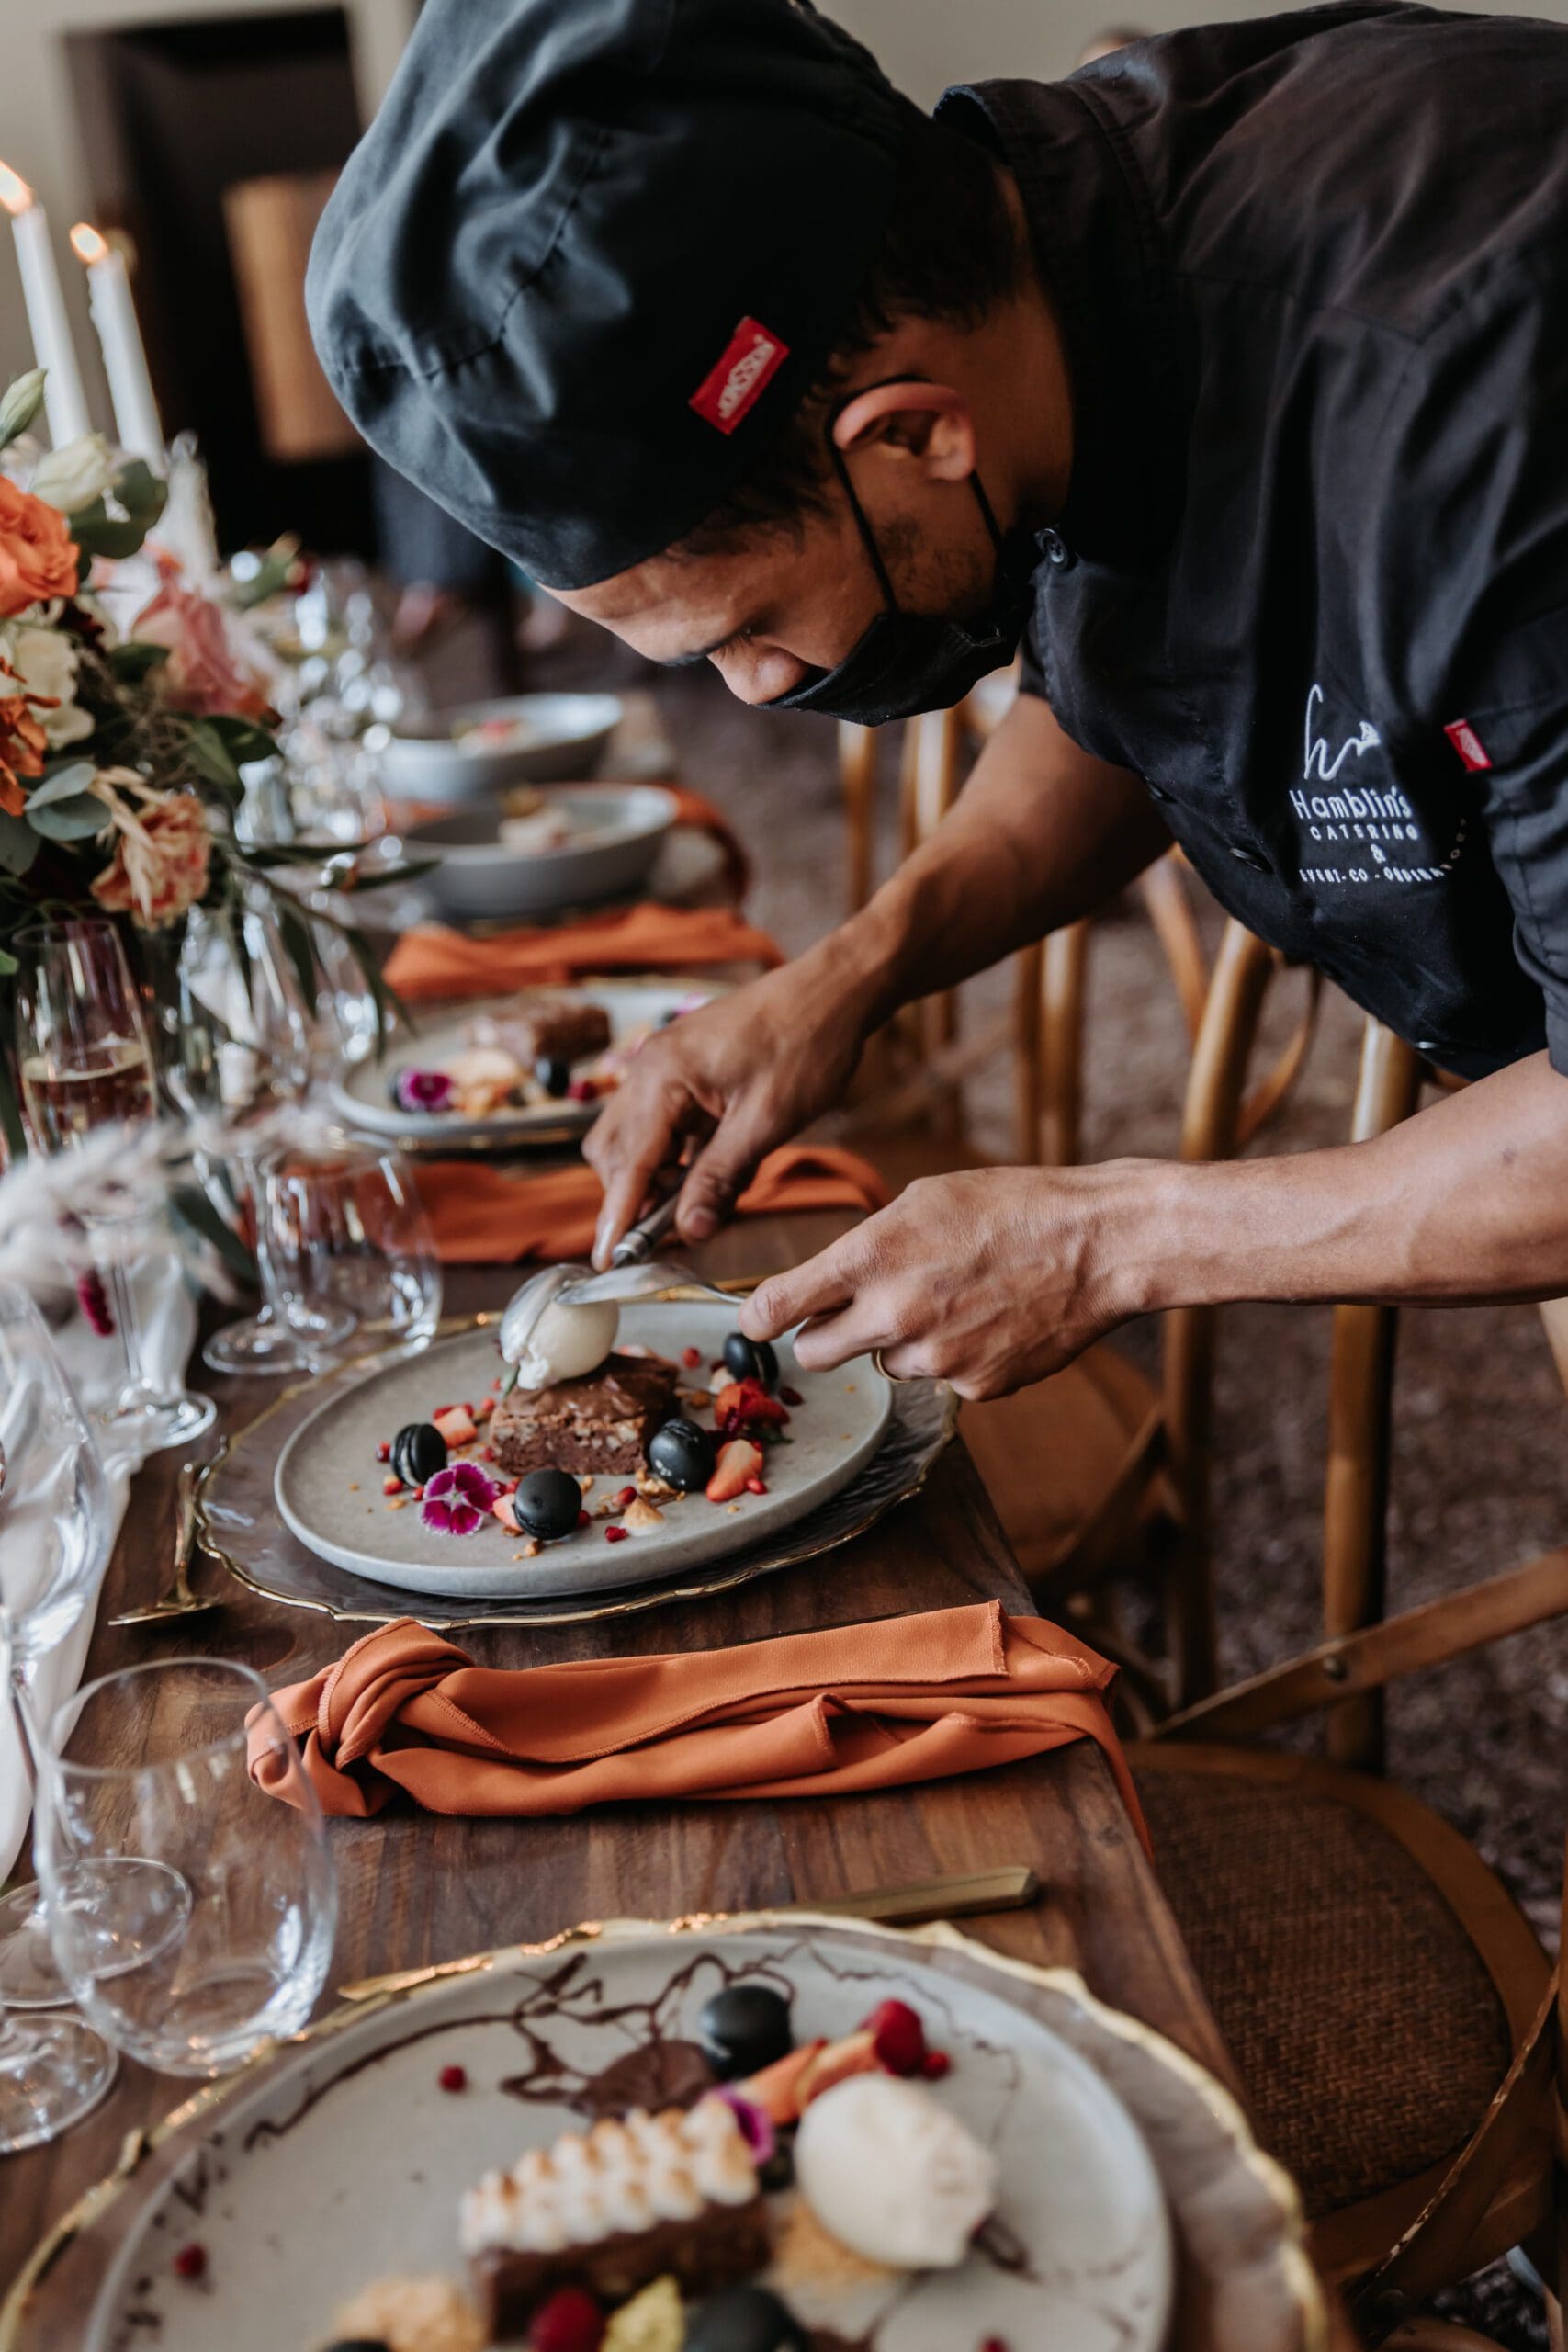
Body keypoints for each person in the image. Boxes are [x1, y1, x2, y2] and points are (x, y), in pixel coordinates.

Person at [310, 0, 1568, 1399]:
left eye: (750, 629)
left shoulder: (1488, 407)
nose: (761, 688)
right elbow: (1141, 692)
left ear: (912, 432)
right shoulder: (1028, 288)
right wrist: (849, 977)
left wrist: (1110, 1241)